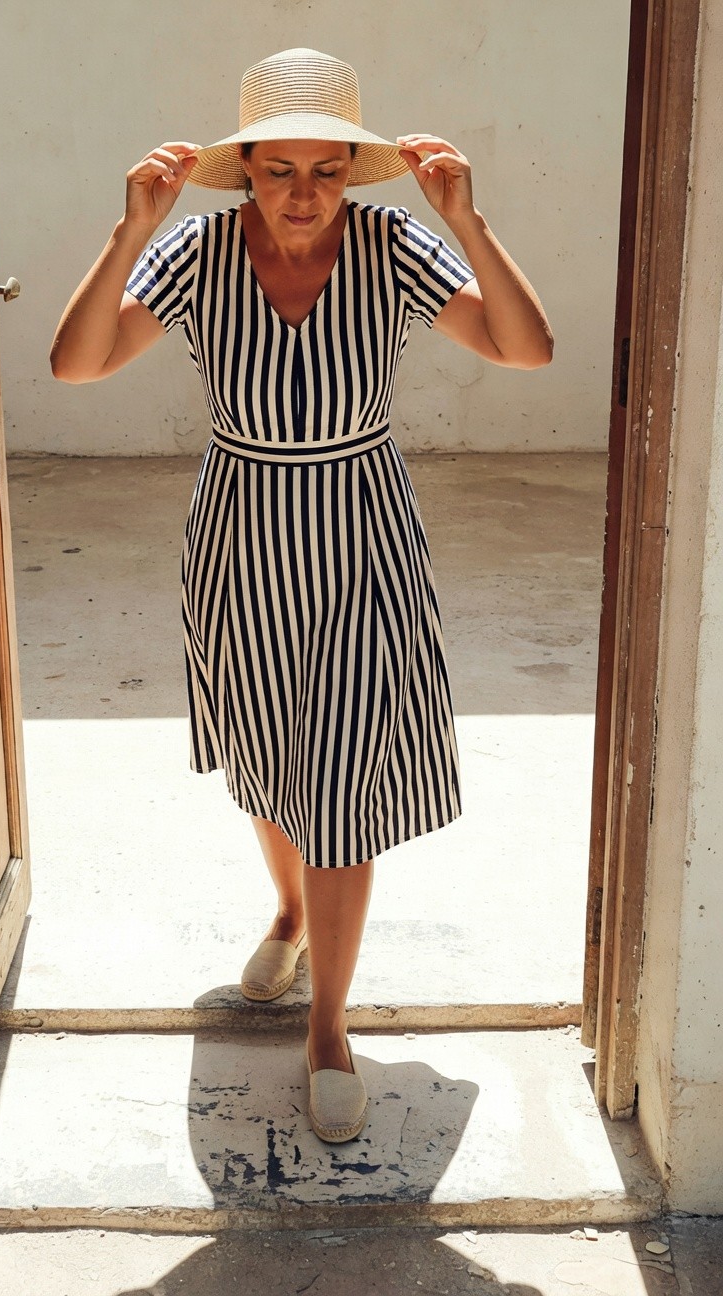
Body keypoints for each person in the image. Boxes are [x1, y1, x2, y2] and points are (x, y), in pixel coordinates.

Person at [50, 47, 553, 1144]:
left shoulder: (392, 245)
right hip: (240, 534)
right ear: (242, 171)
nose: (303, 195)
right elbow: (76, 366)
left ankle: (327, 1026)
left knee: (342, 777)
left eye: (327, 170)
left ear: (353, 174)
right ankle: (287, 911)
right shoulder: (193, 251)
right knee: (268, 754)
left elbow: (526, 347)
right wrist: (128, 231)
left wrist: (468, 219)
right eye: (280, 169)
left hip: (363, 531)